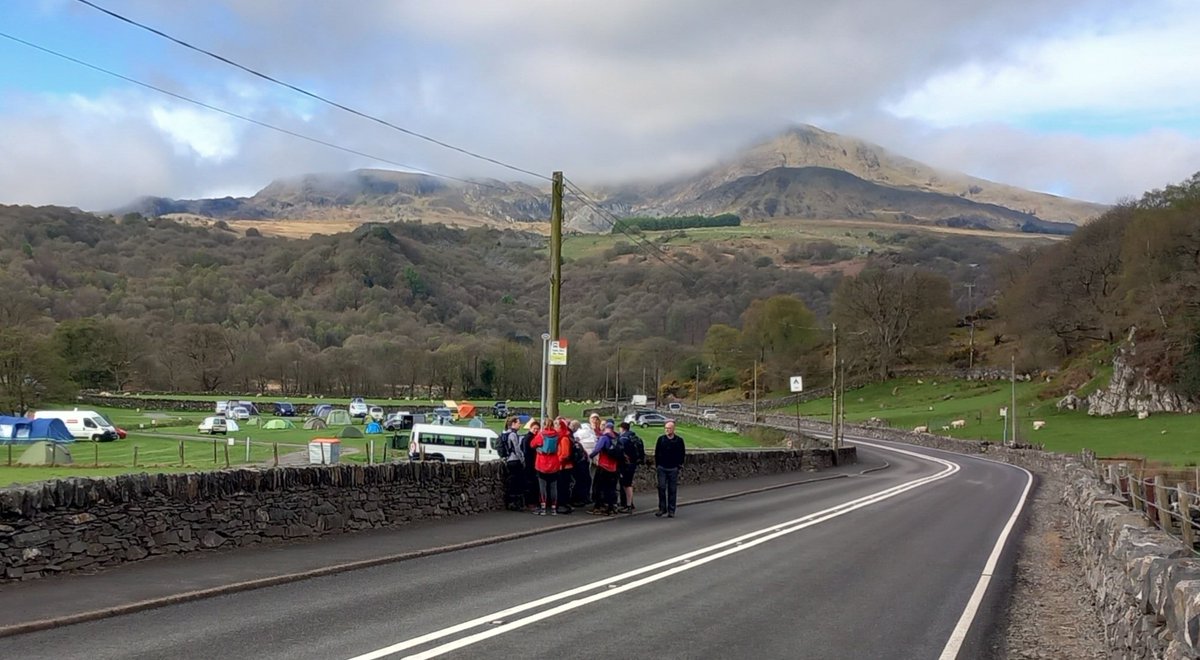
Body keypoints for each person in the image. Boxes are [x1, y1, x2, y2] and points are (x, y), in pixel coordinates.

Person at [529, 419, 562, 515]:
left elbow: (532, 444)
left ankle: (543, 508)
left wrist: (539, 448)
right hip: (554, 464)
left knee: (542, 487)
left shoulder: (541, 435)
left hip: (542, 463)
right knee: (553, 487)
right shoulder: (557, 435)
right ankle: (553, 508)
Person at [655, 420, 686, 518]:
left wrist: (679, 465)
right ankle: (662, 508)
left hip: (673, 468)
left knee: (672, 490)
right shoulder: (661, 439)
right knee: (661, 488)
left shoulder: (679, 440)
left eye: (669, 428)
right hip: (662, 467)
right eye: (666, 428)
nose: (667, 430)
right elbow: (657, 453)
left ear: (673, 429)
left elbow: (682, 453)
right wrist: (658, 465)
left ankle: (671, 510)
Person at [589, 420, 621, 515]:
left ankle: (598, 507)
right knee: (611, 488)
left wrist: (590, 456)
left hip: (603, 466)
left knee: (598, 487)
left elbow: (597, 449)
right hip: (614, 467)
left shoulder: (604, 438)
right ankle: (611, 507)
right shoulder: (616, 437)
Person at [616, 422, 645, 513]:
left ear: (622, 428)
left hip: (626, 464)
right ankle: (629, 503)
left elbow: (621, 452)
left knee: (626, 484)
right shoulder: (635, 437)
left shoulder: (623, 438)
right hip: (633, 463)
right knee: (627, 484)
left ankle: (627, 505)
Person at [500, 416, 526, 511]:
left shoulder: (504, 434)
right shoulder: (513, 435)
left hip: (508, 460)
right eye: (518, 423)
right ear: (513, 424)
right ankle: (515, 504)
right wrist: (522, 460)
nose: (520, 425)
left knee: (512, 482)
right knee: (517, 482)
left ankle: (511, 502)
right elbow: (517, 449)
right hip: (515, 460)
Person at [569, 420, 593, 507]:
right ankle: (580, 499)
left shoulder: (574, 436)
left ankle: (581, 498)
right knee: (582, 481)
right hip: (580, 462)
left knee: (583, 481)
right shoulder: (572, 437)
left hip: (580, 461)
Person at [554, 418, 575, 514]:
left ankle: (562, 505)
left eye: (556, 425)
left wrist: (558, 461)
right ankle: (563, 504)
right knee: (562, 487)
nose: (555, 427)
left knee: (562, 487)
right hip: (563, 466)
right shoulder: (563, 437)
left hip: (564, 467)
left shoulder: (564, 438)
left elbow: (565, 454)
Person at [521, 420, 541, 509]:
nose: (536, 430)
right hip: (530, 464)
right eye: (534, 429)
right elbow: (526, 452)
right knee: (530, 484)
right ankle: (530, 502)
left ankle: (534, 502)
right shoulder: (528, 438)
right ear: (531, 428)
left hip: (535, 464)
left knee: (534, 484)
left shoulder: (535, 437)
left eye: (537, 429)